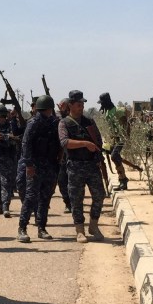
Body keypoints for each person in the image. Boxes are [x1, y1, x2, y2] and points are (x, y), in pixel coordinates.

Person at [60, 90, 106, 243]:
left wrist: (98, 155)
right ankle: (79, 230)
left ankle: (93, 225)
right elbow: (65, 142)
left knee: (100, 195)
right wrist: (85, 144)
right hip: (75, 166)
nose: (81, 107)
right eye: (78, 104)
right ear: (70, 105)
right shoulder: (64, 123)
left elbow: (98, 141)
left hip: (92, 165)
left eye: (82, 104)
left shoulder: (89, 122)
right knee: (76, 199)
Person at [17, 95, 61, 242]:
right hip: (35, 165)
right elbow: (26, 144)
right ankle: (22, 228)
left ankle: (41, 228)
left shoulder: (54, 122)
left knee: (45, 198)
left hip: (49, 165)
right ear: (49, 108)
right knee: (30, 197)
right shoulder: (34, 123)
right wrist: (29, 165)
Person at [98, 92, 131, 191]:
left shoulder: (118, 111)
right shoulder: (107, 112)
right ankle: (122, 179)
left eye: (102, 103)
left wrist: (126, 137)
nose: (101, 105)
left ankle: (123, 180)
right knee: (104, 150)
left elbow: (127, 125)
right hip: (114, 139)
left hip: (121, 138)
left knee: (114, 156)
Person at [55, 98, 72, 213]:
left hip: (72, 154)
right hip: (61, 156)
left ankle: (74, 203)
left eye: (63, 105)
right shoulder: (56, 118)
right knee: (61, 181)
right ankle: (67, 203)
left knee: (73, 182)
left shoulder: (72, 118)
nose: (60, 106)